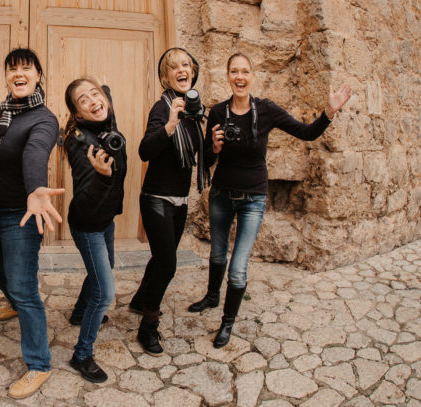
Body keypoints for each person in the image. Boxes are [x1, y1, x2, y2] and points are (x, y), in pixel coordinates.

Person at [192, 52, 352, 348]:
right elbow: (206, 158)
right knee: (217, 253)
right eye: (234, 71)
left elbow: (306, 133)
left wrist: (329, 112)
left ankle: (227, 323)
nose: (239, 77)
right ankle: (212, 296)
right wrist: (213, 148)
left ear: (252, 76)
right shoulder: (217, 112)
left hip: (253, 198)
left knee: (238, 266)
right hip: (221, 196)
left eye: (244, 71)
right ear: (227, 76)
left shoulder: (265, 110)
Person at [0, 48, 63, 399]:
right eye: (12, 69)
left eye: (26, 68)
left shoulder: (44, 119)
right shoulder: (0, 114)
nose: (18, 74)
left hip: (20, 216)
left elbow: (35, 152)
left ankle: (39, 364)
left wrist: (36, 187)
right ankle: (12, 299)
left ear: (39, 75)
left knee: (26, 291)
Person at [128, 48, 209, 355]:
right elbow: (145, 150)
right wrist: (170, 123)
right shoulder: (163, 109)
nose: (180, 69)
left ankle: (139, 300)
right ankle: (148, 325)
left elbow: (202, 159)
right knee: (168, 263)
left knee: (162, 258)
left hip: (180, 200)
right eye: (173, 67)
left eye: (186, 64)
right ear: (166, 77)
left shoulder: (195, 113)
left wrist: (213, 142)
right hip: (156, 198)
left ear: (193, 71)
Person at [62, 78, 127, 383]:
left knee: (104, 269)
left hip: (105, 219)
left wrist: (104, 90)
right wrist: (103, 178)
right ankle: (82, 355)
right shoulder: (83, 144)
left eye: (96, 95)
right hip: (88, 224)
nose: (94, 101)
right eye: (83, 100)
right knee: (104, 293)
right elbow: (86, 199)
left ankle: (78, 313)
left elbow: (105, 98)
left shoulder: (105, 125)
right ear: (77, 114)